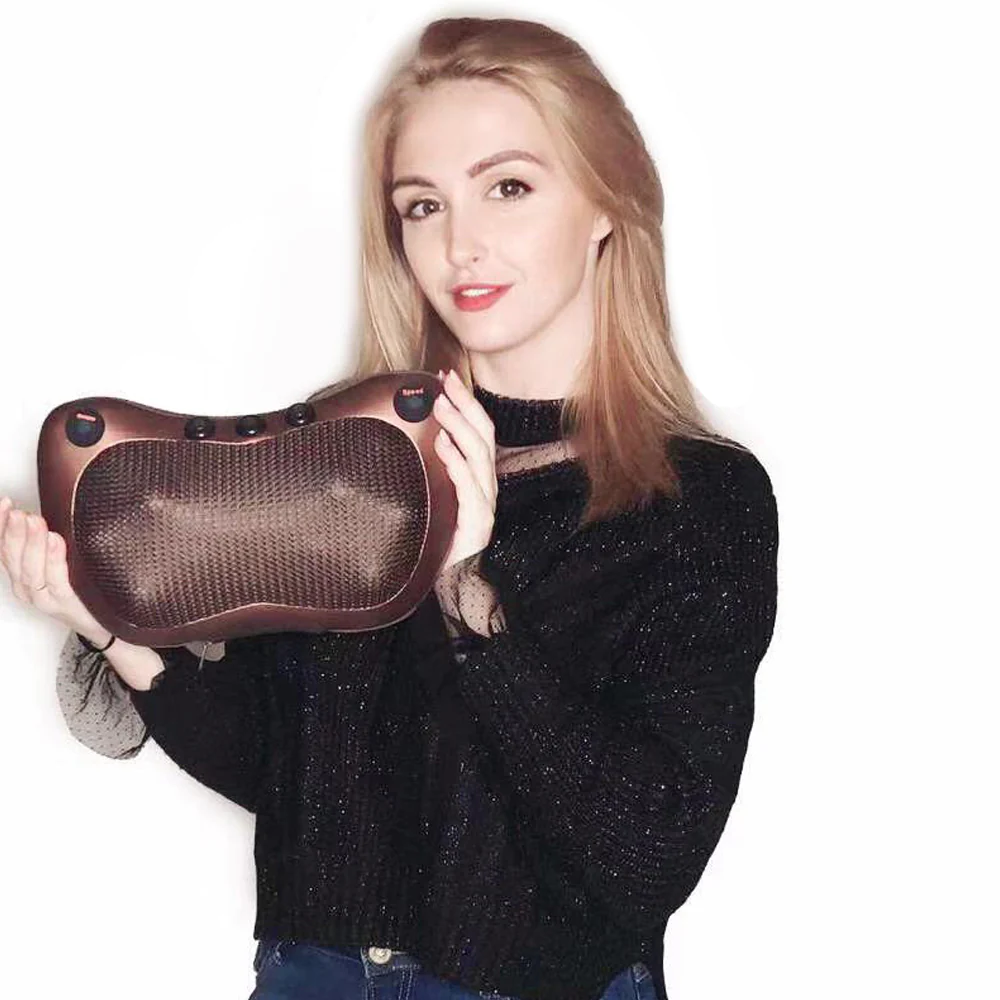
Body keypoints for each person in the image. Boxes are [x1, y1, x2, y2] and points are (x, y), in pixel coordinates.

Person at [0, 16, 779, 1000]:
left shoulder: (695, 498)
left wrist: (466, 588)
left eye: (508, 187)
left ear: (605, 202)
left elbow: (648, 853)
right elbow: (288, 778)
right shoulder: (353, 459)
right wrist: (111, 629)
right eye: (422, 205)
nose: (460, 243)